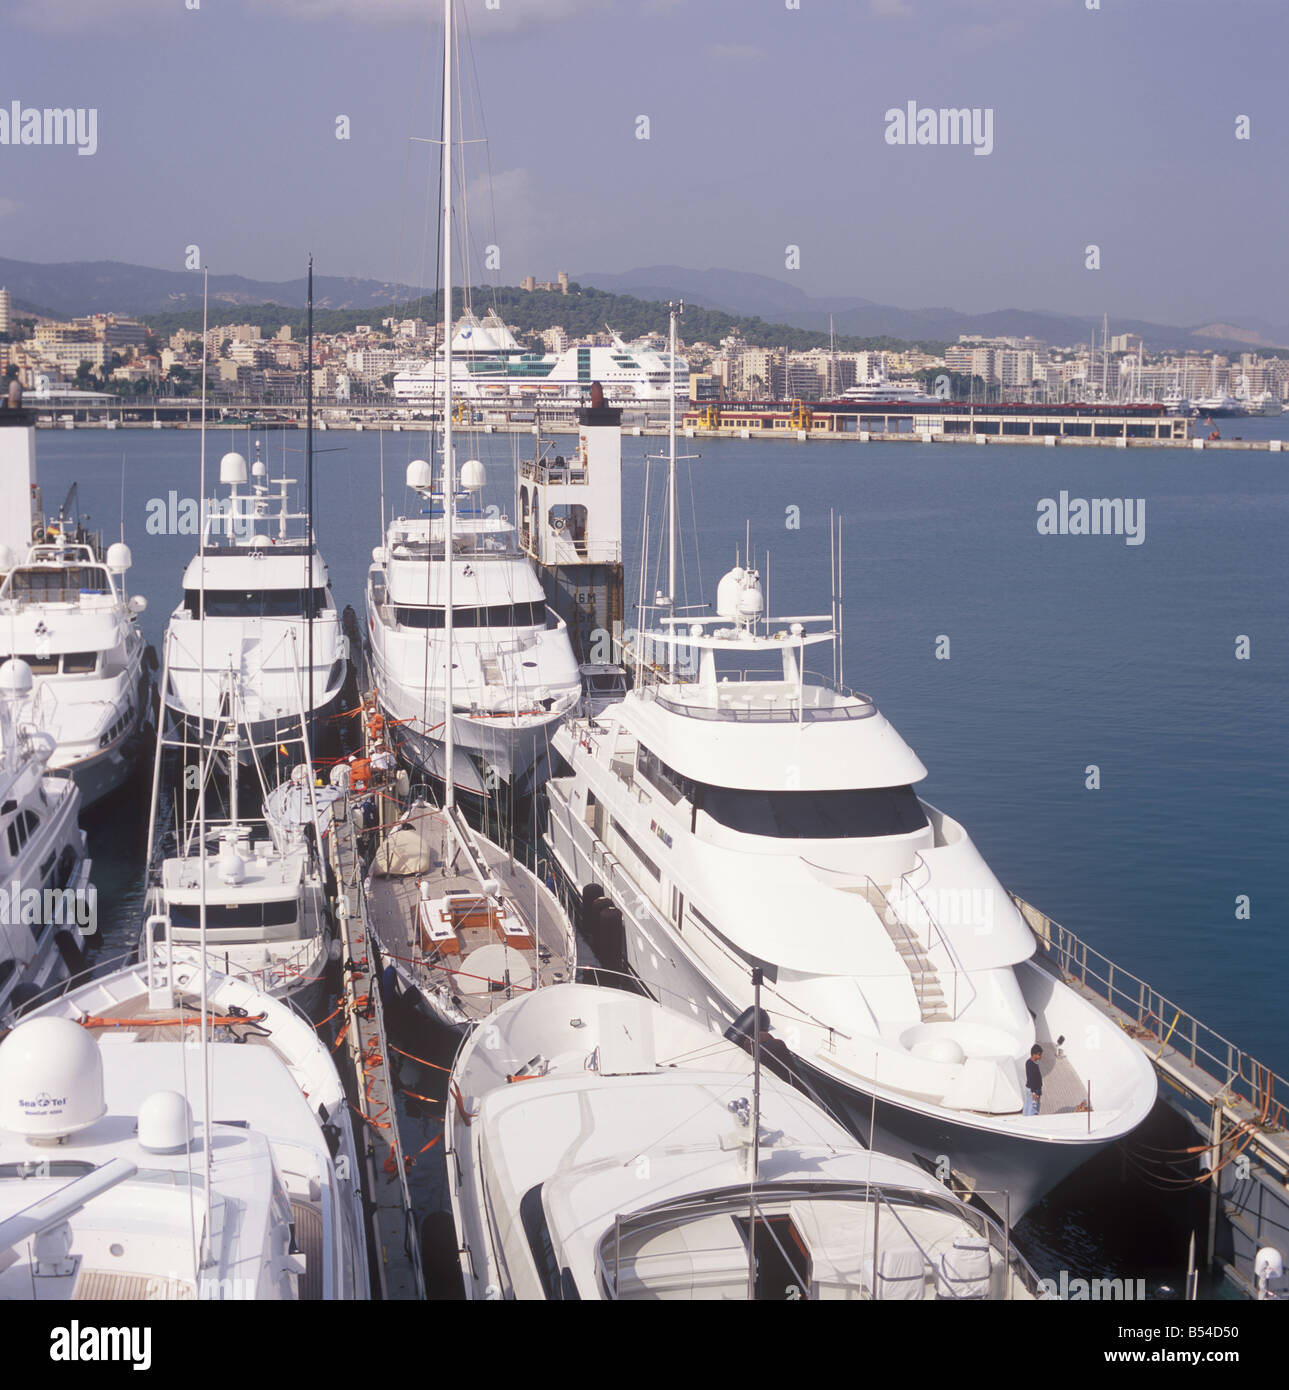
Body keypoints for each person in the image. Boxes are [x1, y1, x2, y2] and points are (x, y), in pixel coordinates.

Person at [1023, 1044, 1043, 1116]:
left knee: (1027, 1106)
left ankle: (1025, 1120)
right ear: (1034, 1054)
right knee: (1033, 1109)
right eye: (1039, 1054)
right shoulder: (1032, 1065)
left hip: (1029, 1089)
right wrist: (1034, 1092)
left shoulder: (1028, 1062)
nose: (1040, 1056)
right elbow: (1032, 1079)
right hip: (1034, 1090)